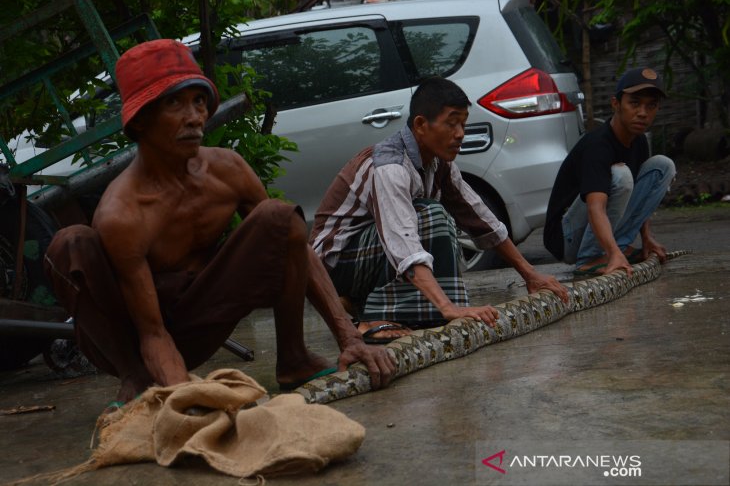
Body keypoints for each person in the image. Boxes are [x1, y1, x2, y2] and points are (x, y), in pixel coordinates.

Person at [43, 39, 395, 404]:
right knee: (68, 243)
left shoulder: (227, 169)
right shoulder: (123, 212)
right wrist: (186, 396)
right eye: (174, 103)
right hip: (142, 334)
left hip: (205, 314)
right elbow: (152, 331)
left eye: (199, 101)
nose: (194, 117)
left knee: (279, 216)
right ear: (142, 120)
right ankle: (138, 378)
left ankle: (294, 358)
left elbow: (294, 247)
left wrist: (351, 339)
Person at [310, 77, 568, 344]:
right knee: (431, 217)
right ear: (421, 125)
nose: (460, 134)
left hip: (369, 257)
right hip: (332, 267)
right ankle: (375, 316)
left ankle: (372, 305)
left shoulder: (438, 163)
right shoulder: (390, 166)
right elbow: (402, 242)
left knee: (439, 222)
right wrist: (449, 308)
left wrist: (531, 274)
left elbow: (481, 218)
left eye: (463, 124)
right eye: (451, 123)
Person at [543, 67, 676, 277]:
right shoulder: (597, 145)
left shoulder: (639, 140)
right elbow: (596, 207)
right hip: (566, 237)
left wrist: (646, 238)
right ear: (616, 104)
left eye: (651, 106)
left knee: (663, 165)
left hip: (597, 227)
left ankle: (615, 248)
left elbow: (640, 195)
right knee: (620, 176)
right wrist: (613, 252)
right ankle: (591, 258)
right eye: (634, 103)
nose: (643, 113)